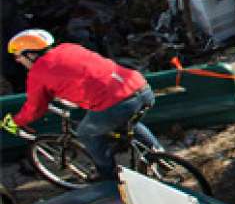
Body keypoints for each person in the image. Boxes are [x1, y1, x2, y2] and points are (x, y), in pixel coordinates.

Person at [1, 30, 161, 179]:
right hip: (142, 88)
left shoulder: (37, 73)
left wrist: (16, 122)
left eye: (18, 56)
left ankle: (109, 177)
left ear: (30, 54)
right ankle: (161, 157)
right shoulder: (68, 47)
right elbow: (82, 73)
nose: (18, 61)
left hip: (116, 103)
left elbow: (35, 108)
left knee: (86, 133)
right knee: (128, 123)